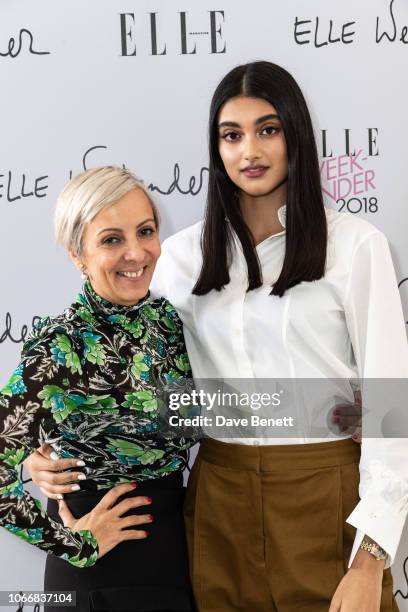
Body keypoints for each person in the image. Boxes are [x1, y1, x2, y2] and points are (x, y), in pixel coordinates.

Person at [25, 60, 408, 612]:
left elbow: (391, 412)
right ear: (216, 148)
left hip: (326, 499)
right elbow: (126, 375)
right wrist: (51, 454)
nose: (249, 151)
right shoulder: (176, 258)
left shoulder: (355, 246)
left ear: (295, 134)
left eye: (267, 130)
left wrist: (371, 559)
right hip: (217, 507)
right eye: (232, 135)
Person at [0, 167, 196, 612]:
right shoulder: (61, 347)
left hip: (174, 553)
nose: (135, 252)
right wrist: (77, 546)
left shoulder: (168, 322)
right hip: (99, 569)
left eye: (145, 231)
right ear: (77, 255)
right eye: (111, 239)